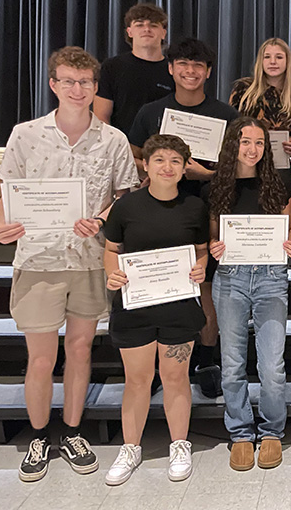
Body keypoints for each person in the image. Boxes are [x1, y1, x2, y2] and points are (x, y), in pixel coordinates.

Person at [0, 46, 138, 482]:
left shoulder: (112, 139)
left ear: (96, 87)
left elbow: (124, 196)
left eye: (86, 82)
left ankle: (73, 431)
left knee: (79, 350)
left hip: (90, 258)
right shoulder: (25, 134)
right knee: (40, 357)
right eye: (69, 82)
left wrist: (100, 218)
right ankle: (39, 436)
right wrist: (0, 226)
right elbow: (9, 194)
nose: (78, 90)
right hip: (37, 258)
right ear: (54, 85)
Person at [128, 37, 239, 397]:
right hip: (158, 211)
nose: (190, 71)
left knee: (206, 287)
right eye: (183, 65)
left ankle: (208, 359)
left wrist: (204, 176)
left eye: (198, 66)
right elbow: (134, 152)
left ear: (208, 72)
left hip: (209, 210)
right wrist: (154, 172)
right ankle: (165, 363)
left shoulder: (226, 115)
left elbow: (241, 164)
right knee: (162, 286)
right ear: (172, 68)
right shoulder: (151, 112)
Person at [102, 134, 209, 485]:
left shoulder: (194, 208)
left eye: (176, 161)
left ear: (184, 168)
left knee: (176, 377)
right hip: (136, 306)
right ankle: (131, 447)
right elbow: (112, 248)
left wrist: (200, 267)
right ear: (146, 165)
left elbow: (201, 249)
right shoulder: (126, 207)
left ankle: (180, 443)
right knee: (138, 380)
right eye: (160, 160)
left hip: (178, 306)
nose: (167, 167)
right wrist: (112, 273)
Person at [206, 117, 291, 471]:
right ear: (234, 144)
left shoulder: (277, 181)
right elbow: (213, 235)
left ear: (267, 147)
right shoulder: (219, 184)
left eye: (259, 143)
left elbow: (288, 230)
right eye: (245, 141)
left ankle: (273, 431)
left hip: (270, 277)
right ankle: (241, 433)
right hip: (230, 277)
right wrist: (214, 247)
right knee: (232, 365)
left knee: (271, 365)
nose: (252, 149)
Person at [93, 2, 174, 136]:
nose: (147, 29)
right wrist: (116, 148)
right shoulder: (111, 67)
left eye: (153, 25)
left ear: (164, 33)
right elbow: (101, 117)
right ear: (129, 32)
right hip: (119, 149)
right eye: (139, 25)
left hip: (163, 152)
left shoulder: (174, 70)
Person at [230, 37, 291, 156]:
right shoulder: (244, 89)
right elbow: (230, 128)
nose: (273, 61)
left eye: (279, 57)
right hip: (246, 161)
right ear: (261, 61)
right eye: (267, 57)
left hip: (279, 164)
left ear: (288, 61)